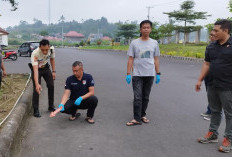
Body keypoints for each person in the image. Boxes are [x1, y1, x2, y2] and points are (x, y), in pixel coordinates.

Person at [195, 19, 232, 153]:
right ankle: (213, 134)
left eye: (216, 30)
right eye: (213, 30)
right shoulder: (211, 46)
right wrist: (200, 79)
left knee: (230, 113)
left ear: (226, 31)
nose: (213, 32)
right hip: (212, 84)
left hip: (228, 86)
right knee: (215, 110)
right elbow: (207, 63)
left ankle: (229, 138)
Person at [126, 20, 160, 126]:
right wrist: (128, 73)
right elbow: (131, 59)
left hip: (150, 74)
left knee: (146, 97)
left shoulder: (154, 43)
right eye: (144, 27)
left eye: (148, 27)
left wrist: (158, 73)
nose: (146, 29)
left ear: (150, 29)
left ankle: (142, 115)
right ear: (140, 29)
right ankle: (136, 118)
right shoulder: (134, 43)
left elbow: (156, 59)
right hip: (137, 74)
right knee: (137, 97)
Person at [29, 39, 56, 117]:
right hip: (37, 69)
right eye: (43, 50)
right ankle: (36, 109)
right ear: (39, 47)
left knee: (51, 85)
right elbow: (35, 70)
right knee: (36, 89)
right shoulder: (35, 54)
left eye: (46, 50)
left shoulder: (52, 49)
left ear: (49, 46)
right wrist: (37, 84)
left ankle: (51, 106)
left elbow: (52, 59)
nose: (45, 52)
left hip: (46, 68)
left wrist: (54, 71)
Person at [200, 31, 216, 121]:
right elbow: (206, 62)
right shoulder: (209, 46)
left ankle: (214, 114)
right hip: (208, 74)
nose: (211, 37)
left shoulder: (222, 47)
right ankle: (209, 110)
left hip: (217, 75)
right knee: (210, 94)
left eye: (213, 35)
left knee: (215, 95)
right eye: (211, 35)